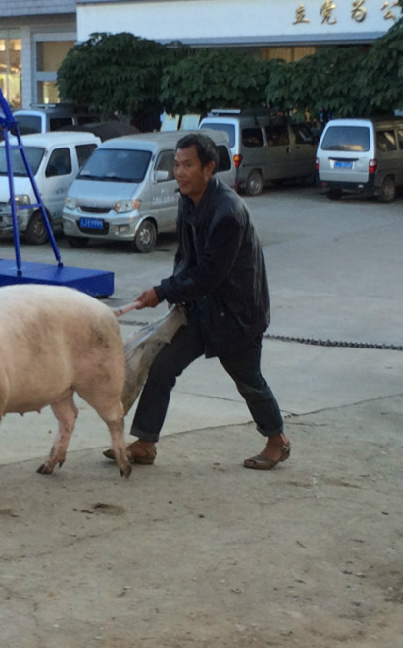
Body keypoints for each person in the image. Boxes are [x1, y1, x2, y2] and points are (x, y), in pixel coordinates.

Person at [111, 131, 290, 470]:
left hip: (238, 313)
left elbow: (209, 273)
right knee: (163, 366)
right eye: (176, 164)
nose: (179, 172)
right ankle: (146, 442)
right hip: (202, 307)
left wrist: (163, 291)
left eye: (188, 165)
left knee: (248, 380)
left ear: (209, 168)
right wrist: (175, 294)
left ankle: (277, 439)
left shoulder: (228, 213)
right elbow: (186, 257)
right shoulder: (187, 200)